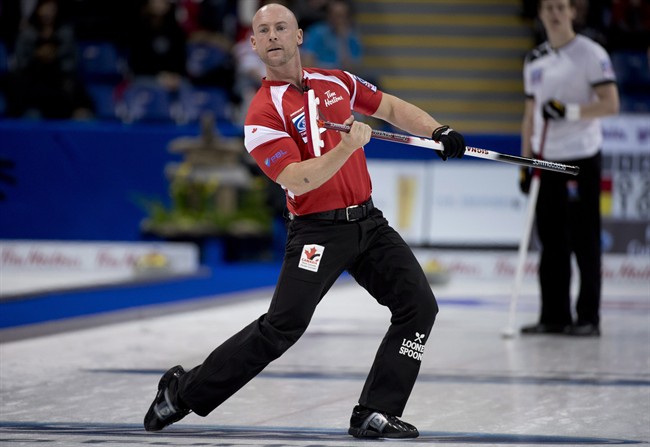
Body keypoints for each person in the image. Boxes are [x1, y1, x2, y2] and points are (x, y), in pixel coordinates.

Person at [144, 2, 466, 439]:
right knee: (282, 328)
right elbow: (297, 177)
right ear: (254, 44)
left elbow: (388, 106)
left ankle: (375, 411)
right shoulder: (260, 115)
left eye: (281, 27)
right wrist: (346, 147)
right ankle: (182, 393)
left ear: (299, 37)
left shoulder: (337, 80)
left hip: (369, 223)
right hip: (317, 230)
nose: (273, 35)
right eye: (264, 31)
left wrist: (437, 131)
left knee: (418, 306)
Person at [519, 0, 619, 337]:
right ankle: (554, 315)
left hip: (580, 158)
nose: (555, 12)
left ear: (572, 11)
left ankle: (588, 317)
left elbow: (611, 103)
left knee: (584, 238)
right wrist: (525, 163)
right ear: (541, 13)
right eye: (548, 7)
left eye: (561, 6)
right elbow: (530, 115)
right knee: (551, 239)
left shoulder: (591, 53)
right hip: (546, 159)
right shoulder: (534, 59)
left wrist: (570, 112)